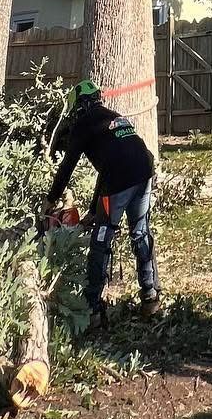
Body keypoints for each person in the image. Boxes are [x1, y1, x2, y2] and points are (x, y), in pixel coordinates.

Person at [46, 78, 159, 327]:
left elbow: (67, 167)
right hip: (144, 171)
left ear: (77, 106)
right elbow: (106, 168)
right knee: (140, 232)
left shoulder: (82, 125)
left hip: (120, 179)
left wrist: (51, 199)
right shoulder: (113, 117)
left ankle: (92, 309)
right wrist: (92, 209)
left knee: (101, 238)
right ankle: (150, 296)